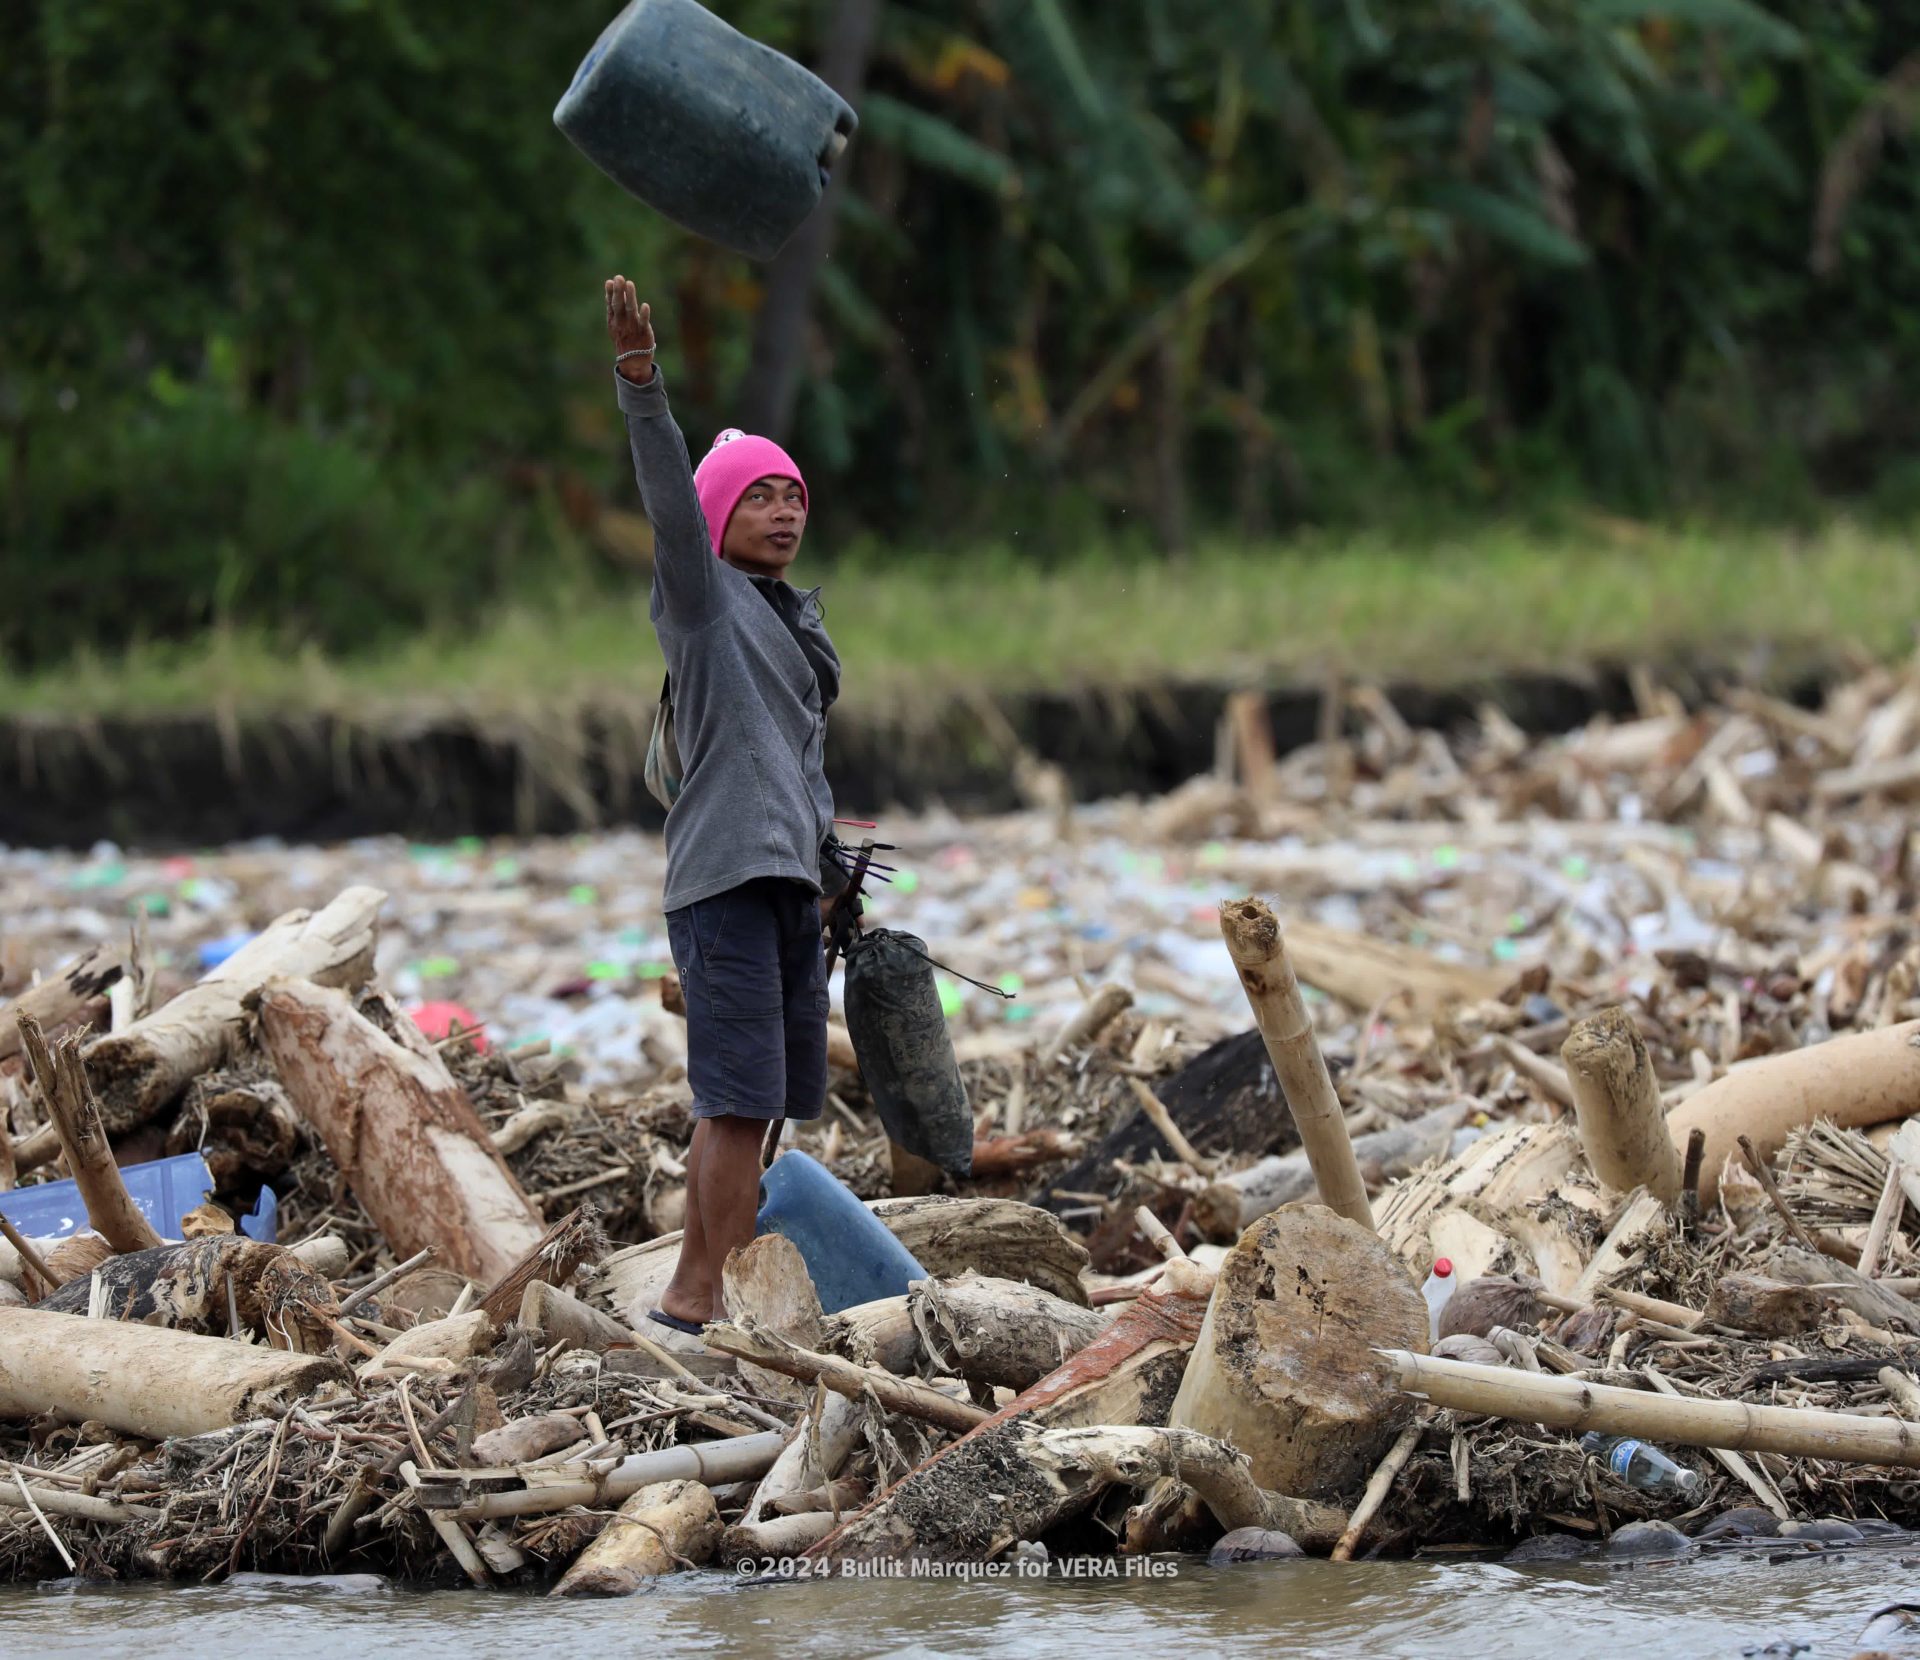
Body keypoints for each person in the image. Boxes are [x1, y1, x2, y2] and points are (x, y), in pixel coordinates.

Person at [603, 275, 841, 1334]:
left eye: (792, 494)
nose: (784, 509)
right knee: (735, 1102)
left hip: (787, 881)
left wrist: (833, 872)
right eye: (759, 495)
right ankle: (719, 1307)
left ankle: (697, 1291)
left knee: (758, 1103)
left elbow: (805, 769)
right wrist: (641, 382)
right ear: (716, 519)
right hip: (724, 879)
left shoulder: (798, 628)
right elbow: (663, 493)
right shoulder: (702, 603)